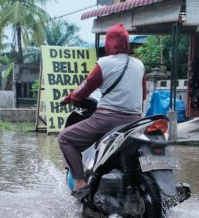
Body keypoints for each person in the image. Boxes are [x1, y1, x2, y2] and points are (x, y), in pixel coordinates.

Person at [58, 23, 147, 199]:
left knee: (65, 138)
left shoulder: (104, 63)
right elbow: (143, 95)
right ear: (126, 43)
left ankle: (80, 182)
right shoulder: (139, 65)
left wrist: (69, 98)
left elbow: (83, 91)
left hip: (107, 120)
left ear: (109, 44)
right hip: (135, 121)